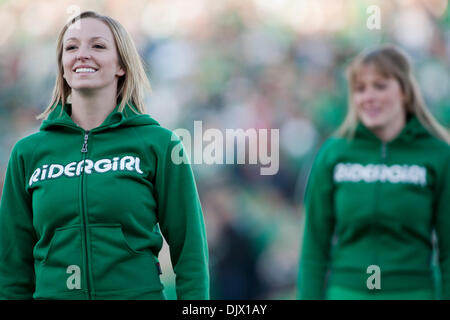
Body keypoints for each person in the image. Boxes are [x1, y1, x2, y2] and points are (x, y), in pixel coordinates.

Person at [0, 11, 209, 300]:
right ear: (62, 66)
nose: (82, 54)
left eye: (97, 46)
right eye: (71, 47)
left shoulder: (160, 144)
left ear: (121, 65)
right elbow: (12, 267)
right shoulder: (27, 153)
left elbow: (190, 252)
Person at [298, 45, 450, 300]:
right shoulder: (333, 153)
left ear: (404, 91)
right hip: (346, 292)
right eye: (360, 89)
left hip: (414, 292)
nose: (368, 96)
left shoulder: (438, 155)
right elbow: (314, 246)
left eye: (380, 86)